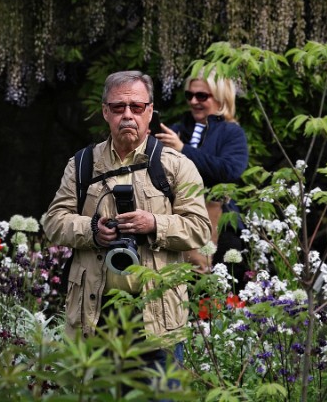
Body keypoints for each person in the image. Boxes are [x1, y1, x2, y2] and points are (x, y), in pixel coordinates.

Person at [43, 70, 211, 380]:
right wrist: (93, 231)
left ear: (150, 111)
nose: (128, 115)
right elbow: (54, 221)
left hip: (156, 315)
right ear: (105, 112)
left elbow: (200, 227)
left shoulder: (176, 165)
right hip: (95, 315)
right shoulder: (82, 164)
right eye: (118, 107)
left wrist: (154, 224)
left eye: (136, 107)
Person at [155, 69, 249, 284]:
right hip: (178, 219)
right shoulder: (177, 129)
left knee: (217, 290)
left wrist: (183, 150)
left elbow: (230, 170)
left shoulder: (231, 132)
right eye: (189, 95)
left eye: (202, 96)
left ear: (221, 98)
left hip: (219, 223)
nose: (194, 101)